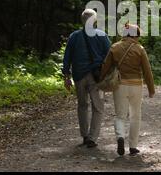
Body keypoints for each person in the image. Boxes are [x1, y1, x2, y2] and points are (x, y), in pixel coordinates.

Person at [99, 24, 155, 156]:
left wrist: (100, 81)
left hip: (120, 85)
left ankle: (120, 136)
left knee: (120, 115)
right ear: (134, 35)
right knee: (135, 115)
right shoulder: (139, 49)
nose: (138, 39)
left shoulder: (115, 47)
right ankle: (133, 146)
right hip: (136, 85)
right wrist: (151, 89)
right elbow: (147, 71)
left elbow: (105, 66)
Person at [62, 9, 111, 148]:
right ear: (94, 20)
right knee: (98, 107)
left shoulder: (74, 36)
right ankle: (92, 138)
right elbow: (109, 56)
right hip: (96, 77)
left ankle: (84, 136)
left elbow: (67, 58)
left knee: (82, 106)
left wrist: (66, 76)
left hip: (78, 77)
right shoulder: (101, 35)